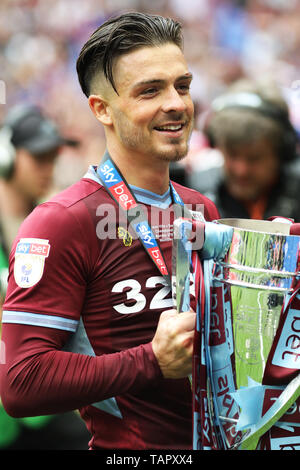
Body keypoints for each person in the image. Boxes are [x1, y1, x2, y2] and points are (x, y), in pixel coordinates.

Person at [0, 12, 219, 450]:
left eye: (183, 85)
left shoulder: (200, 209)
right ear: (101, 109)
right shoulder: (62, 221)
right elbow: (20, 383)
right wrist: (151, 361)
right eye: (150, 91)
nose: (176, 103)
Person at [0, 104, 90, 449]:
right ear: (8, 159)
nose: (48, 169)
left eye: (53, 158)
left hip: (44, 398)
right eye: (39, 158)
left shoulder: (51, 222)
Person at [187, 79, 300, 222]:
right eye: (232, 155)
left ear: (282, 152)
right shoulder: (197, 192)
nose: (241, 170)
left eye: (254, 158)